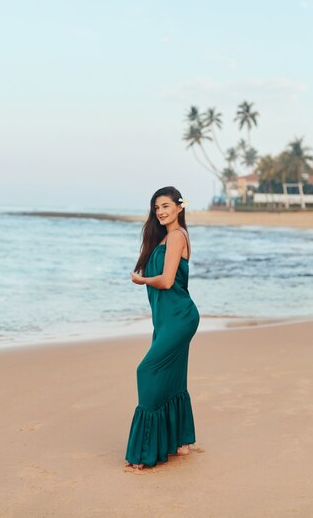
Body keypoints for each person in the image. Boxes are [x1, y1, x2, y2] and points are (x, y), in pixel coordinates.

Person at [125, 186, 200, 469]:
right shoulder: (165, 238)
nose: (161, 212)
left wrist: (142, 280)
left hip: (179, 317)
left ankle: (145, 450)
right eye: (157, 208)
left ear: (180, 207)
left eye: (166, 206)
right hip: (168, 318)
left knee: (147, 371)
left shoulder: (178, 236)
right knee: (174, 377)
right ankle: (180, 442)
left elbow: (167, 281)